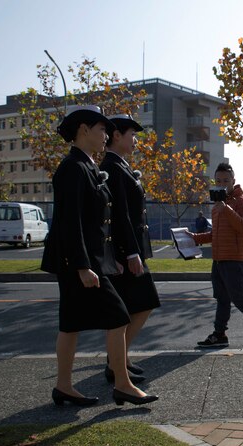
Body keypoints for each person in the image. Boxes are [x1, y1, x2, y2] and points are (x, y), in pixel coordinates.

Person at [41, 105, 158, 407]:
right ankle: (122, 384)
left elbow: (99, 223)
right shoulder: (73, 168)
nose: (106, 135)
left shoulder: (87, 165)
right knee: (118, 316)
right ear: (83, 130)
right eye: (102, 129)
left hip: (87, 261)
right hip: (76, 262)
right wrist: (83, 266)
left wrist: (108, 258)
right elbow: (71, 222)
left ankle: (64, 386)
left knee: (70, 324)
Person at [100, 114, 161, 384]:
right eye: (132, 135)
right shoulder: (112, 167)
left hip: (129, 250)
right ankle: (115, 363)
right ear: (117, 136)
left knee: (133, 307)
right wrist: (129, 253)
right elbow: (120, 214)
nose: (135, 141)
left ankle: (119, 361)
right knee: (143, 302)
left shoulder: (120, 166)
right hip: (126, 252)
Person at [187, 163, 243, 350]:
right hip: (219, 259)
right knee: (222, 299)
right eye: (218, 181)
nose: (221, 184)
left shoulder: (242, 201)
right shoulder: (219, 205)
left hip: (235, 260)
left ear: (233, 181)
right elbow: (215, 235)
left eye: (225, 181)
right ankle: (219, 335)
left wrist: (225, 208)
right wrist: (194, 238)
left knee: (238, 298)